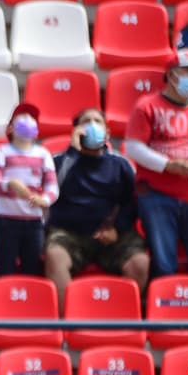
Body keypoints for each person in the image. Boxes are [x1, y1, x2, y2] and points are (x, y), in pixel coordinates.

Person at [125, 49, 188, 280]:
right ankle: (165, 302)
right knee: (164, 263)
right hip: (157, 193)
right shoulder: (147, 106)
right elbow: (134, 147)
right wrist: (167, 165)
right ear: (171, 74)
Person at [44, 108, 149, 297]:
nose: (92, 125)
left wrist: (117, 229)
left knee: (140, 263)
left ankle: (121, 312)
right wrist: (72, 153)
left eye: (97, 121)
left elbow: (132, 201)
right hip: (69, 234)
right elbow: (50, 193)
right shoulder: (59, 161)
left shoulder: (121, 164)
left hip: (111, 233)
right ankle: (67, 315)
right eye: (86, 121)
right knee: (55, 257)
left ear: (107, 132)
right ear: (76, 131)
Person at [0, 103, 58, 277]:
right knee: (5, 268)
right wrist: (9, 184)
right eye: (21, 117)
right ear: (10, 128)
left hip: (34, 222)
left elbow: (52, 186)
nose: (27, 119)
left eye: (31, 118)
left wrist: (44, 200)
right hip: (5, 221)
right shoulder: (1, 152)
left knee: (32, 268)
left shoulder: (43, 154)